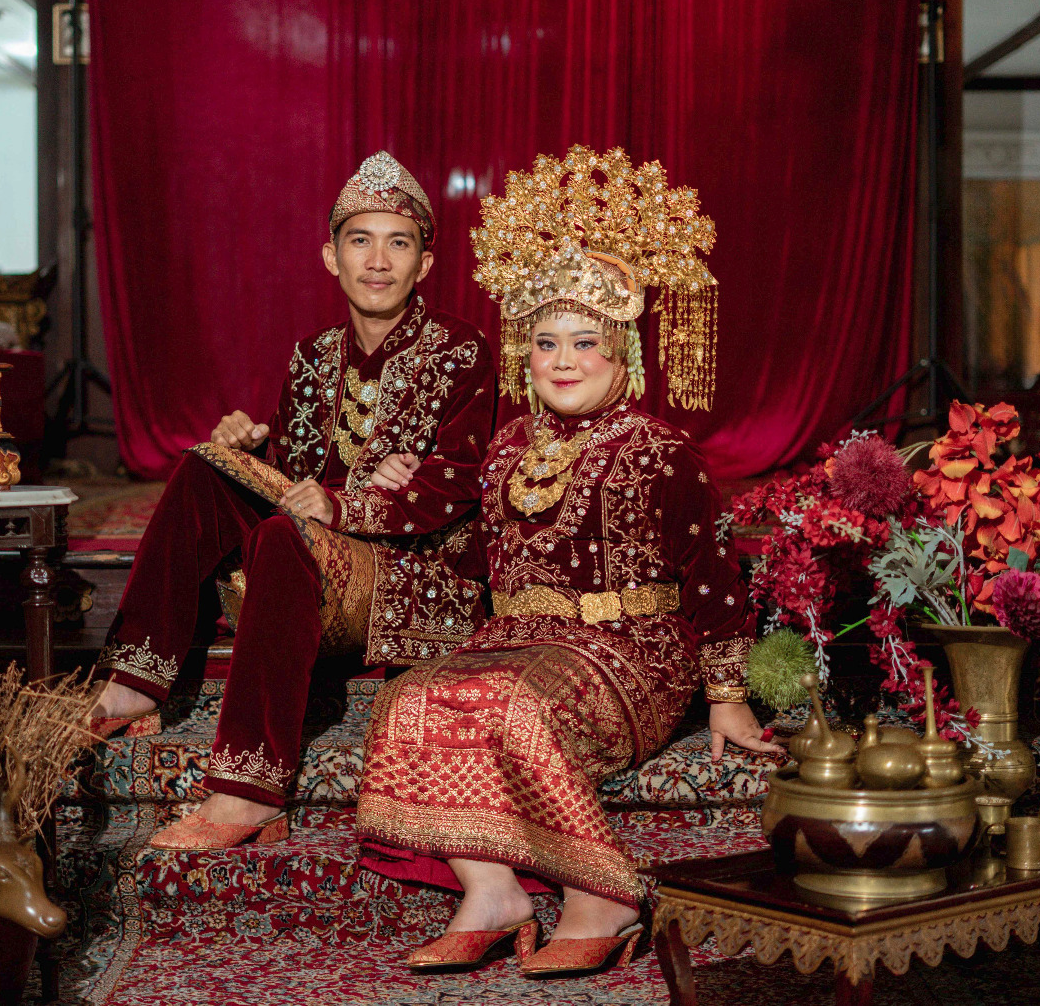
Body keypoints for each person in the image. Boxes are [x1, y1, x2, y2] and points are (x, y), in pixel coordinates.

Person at [355, 146, 783, 977]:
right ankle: (492, 894)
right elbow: (477, 555)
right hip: (517, 639)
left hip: (632, 650)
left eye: (585, 342)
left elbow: (712, 577)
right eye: (546, 342)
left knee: (515, 708)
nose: (561, 361)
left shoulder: (659, 450)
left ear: (623, 353)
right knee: (410, 702)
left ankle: (601, 897)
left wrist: (728, 698)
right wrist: (405, 483)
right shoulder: (507, 445)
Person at [91, 151, 497, 851]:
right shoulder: (312, 356)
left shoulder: (461, 351)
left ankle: (248, 790)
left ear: (424, 263)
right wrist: (251, 450)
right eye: (360, 241)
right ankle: (135, 680)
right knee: (205, 468)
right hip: (315, 556)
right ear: (331, 256)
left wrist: (350, 507)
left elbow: (459, 481)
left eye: (398, 244)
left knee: (285, 538)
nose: (377, 261)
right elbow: (300, 475)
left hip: (415, 576)